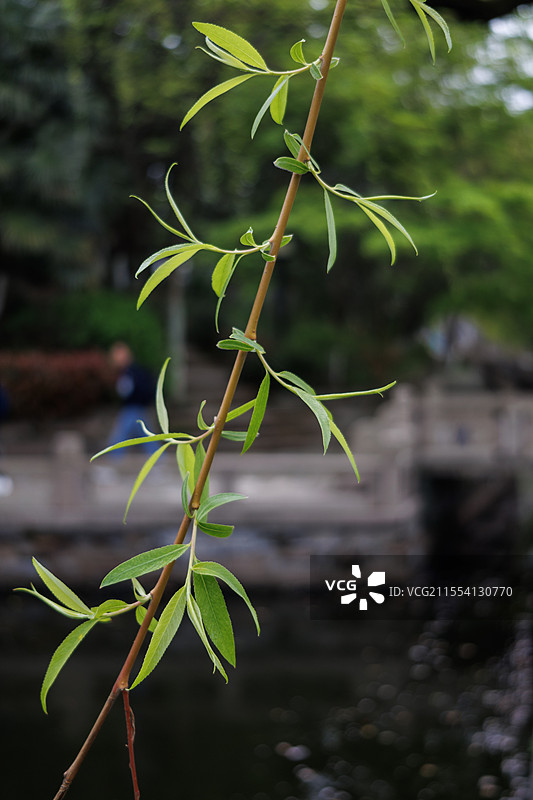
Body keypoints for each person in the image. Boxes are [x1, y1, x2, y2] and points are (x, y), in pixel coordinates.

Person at [107, 342, 158, 457]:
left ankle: (113, 458)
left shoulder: (131, 372)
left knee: (120, 436)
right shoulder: (128, 372)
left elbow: (128, 391)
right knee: (146, 437)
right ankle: (158, 458)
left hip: (134, 409)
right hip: (136, 408)